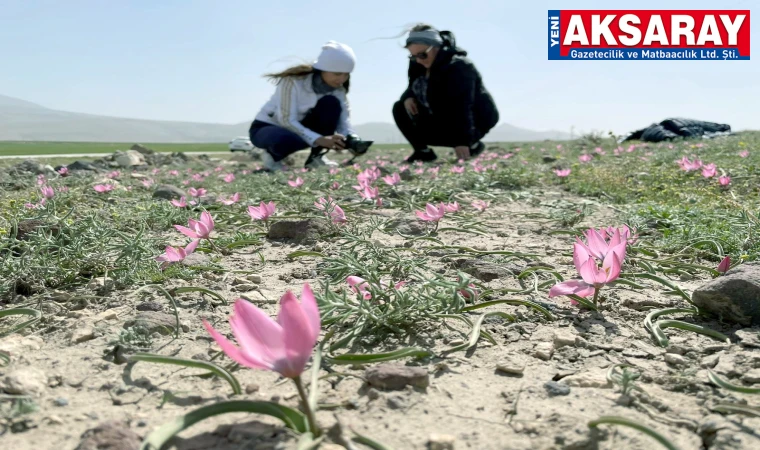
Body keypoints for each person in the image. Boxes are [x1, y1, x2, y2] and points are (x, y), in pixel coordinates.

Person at [393, 24, 499, 163]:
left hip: (473, 119)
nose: (418, 60)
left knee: (462, 136)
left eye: (422, 55)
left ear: (436, 47)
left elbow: (462, 105)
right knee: (400, 107)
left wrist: (462, 140)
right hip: (441, 116)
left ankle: (472, 144)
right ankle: (423, 153)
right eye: (413, 56)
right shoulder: (418, 62)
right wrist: (408, 97)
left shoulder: (459, 66)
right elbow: (413, 85)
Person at [249, 41, 358, 171]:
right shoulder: (293, 81)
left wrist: (352, 139)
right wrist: (318, 139)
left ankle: (317, 157)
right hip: (270, 127)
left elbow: (344, 120)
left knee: (331, 103)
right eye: (337, 74)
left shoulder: (338, 90)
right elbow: (286, 120)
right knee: (286, 139)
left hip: (301, 127)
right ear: (322, 70)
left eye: (346, 74)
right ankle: (272, 156)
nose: (342, 79)